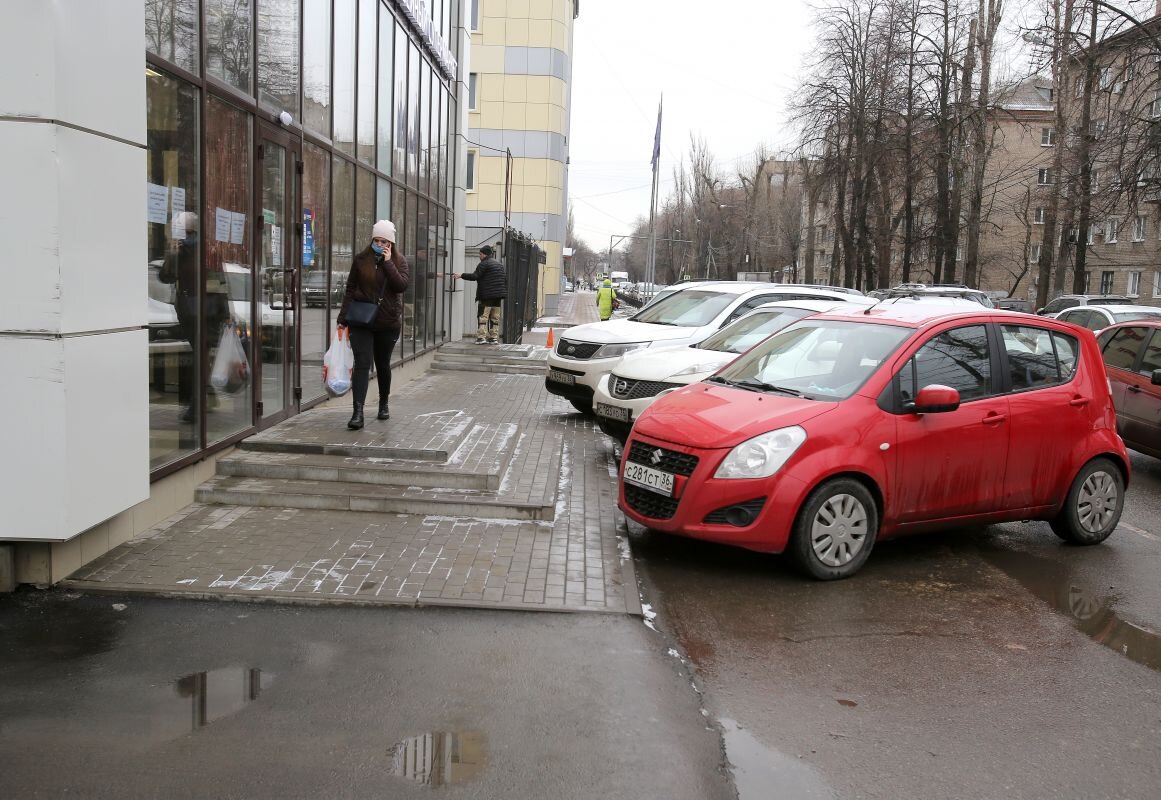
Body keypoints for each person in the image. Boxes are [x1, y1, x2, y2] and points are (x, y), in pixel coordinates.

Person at [337, 219, 410, 430]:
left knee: (382, 364)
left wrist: (387, 263)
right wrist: (342, 318)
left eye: (384, 241)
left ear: (391, 244)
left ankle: (383, 403)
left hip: (387, 322)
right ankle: (357, 412)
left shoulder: (399, 262)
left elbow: (401, 286)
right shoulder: (361, 260)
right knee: (362, 363)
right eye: (376, 240)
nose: (379, 244)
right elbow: (350, 289)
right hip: (361, 321)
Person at [457, 245, 507, 343]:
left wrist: (461, 275)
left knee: (483, 315)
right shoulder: (499, 264)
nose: (479, 256)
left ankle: (481, 337)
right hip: (498, 295)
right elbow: (504, 280)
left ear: (484, 254)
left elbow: (475, 276)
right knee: (495, 317)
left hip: (486, 295)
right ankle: (493, 337)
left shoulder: (484, 263)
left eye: (480, 254)